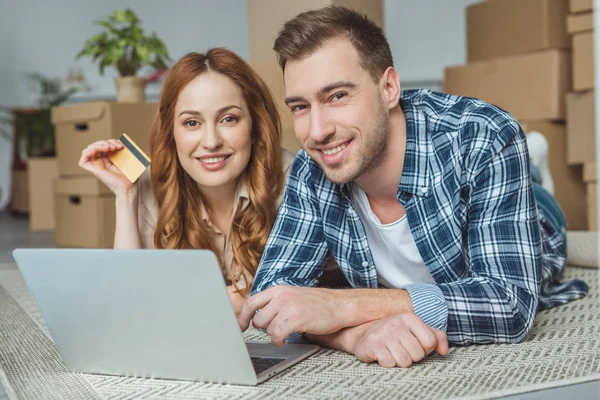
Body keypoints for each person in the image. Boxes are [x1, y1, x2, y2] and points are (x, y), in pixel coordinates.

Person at [237, 6, 589, 368]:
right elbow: (272, 299)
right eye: (299, 106)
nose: (317, 130)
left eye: (337, 96)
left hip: (534, 211)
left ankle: (531, 160)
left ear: (389, 87)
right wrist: (355, 335)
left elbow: (510, 302)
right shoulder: (313, 168)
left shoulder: (486, 135)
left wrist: (339, 306)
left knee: (541, 214)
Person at [79, 48, 295, 314]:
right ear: (171, 133)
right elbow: (125, 300)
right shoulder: (150, 184)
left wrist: (175, 301)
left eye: (229, 119)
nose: (211, 141)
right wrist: (125, 195)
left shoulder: (290, 176)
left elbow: (279, 291)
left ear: (254, 126)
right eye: (192, 123)